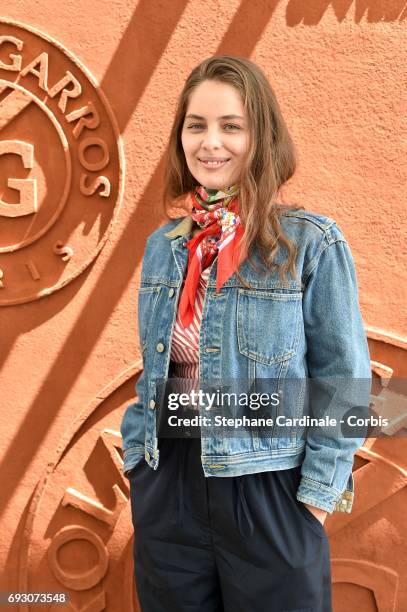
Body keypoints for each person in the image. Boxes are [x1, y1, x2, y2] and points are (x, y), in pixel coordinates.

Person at [120, 55, 371, 612]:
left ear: (261, 137)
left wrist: (314, 501)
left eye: (231, 125)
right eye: (196, 125)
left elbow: (345, 382)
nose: (211, 143)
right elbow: (154, 369)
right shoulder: (166, 245)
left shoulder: (310, 244)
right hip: (170, 491)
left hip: (269, 490)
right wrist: (138, 464)